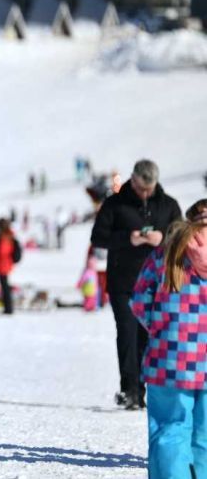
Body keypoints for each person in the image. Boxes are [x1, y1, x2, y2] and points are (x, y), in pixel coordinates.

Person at [90, 159, 182, 410]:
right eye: (141, 188)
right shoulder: (114, 204)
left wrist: (163, 238)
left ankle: (151, 389)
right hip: (124, 282)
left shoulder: (168, 205)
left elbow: (182, 236)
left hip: (158, 283)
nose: (145, 193)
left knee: (151, 337)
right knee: (128, 334)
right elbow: (98, 237)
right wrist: (127, 239)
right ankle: (130, 390)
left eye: (149, 189)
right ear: (133, 180)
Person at [130, 199, 207, 476]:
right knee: (204, 437)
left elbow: (139, 300)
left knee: (170, 430)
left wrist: (162, 329)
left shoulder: (166, 253)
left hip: (169, 359)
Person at [0, 218, 18, 315]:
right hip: (5, 264)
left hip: (3, 264)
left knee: (5, 287)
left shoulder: (4, 236)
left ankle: (8, 308)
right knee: (5, 286)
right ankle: (8, 307)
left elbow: (2, 251)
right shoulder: (8, 235)